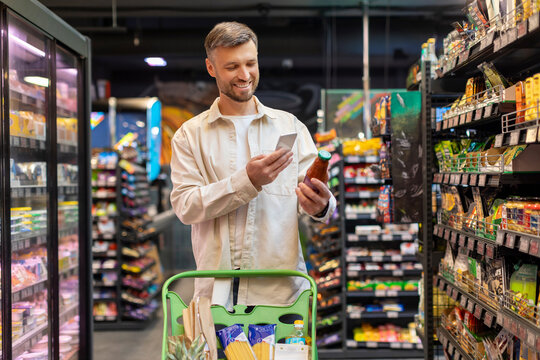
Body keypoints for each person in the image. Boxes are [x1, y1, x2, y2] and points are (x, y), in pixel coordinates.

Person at [170, 21, 336, 310]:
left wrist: (321, 205)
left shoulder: (290, 127)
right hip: (217, 297)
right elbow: (186, 207)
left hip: (281, 295)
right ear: (211, 68)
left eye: (251, 63)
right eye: (232, 67)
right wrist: (247, 181)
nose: (244, 75)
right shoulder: (189, 135)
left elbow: (318, 199)